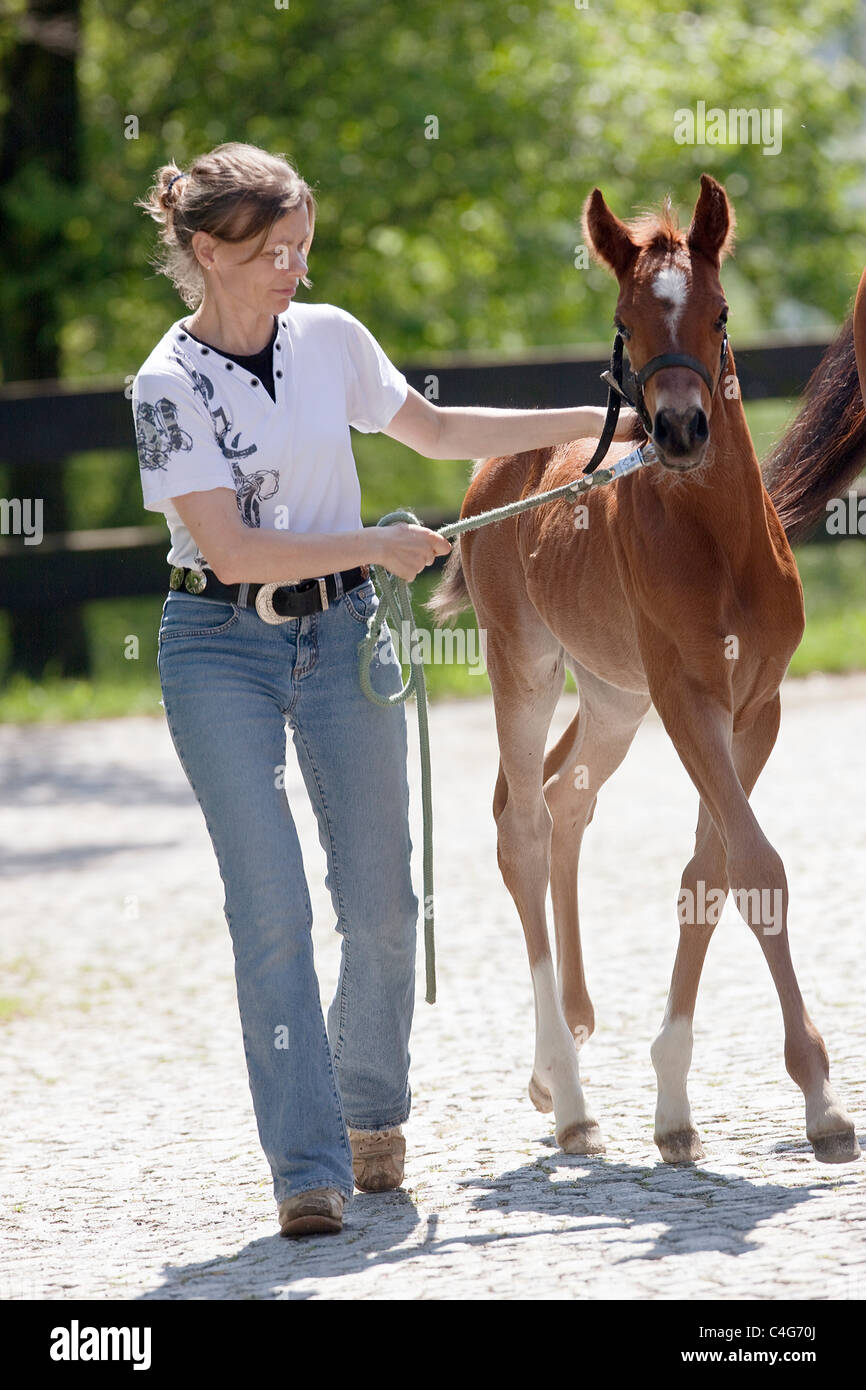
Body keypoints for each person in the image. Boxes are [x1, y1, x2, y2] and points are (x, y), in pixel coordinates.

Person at [131, 141, 636, 1239]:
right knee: (270, 913)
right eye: (271, 253)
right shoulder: (165, 386)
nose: (293, 272)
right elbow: (226, 550)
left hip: (344, 638)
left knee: (383, 904)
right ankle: (305, 1169)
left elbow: (440, 431)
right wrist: (375, 541)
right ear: (209, 251)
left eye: (302, 249)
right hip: (218, 649)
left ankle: (372, 1116)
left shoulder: (330, 339)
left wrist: (595, 429)